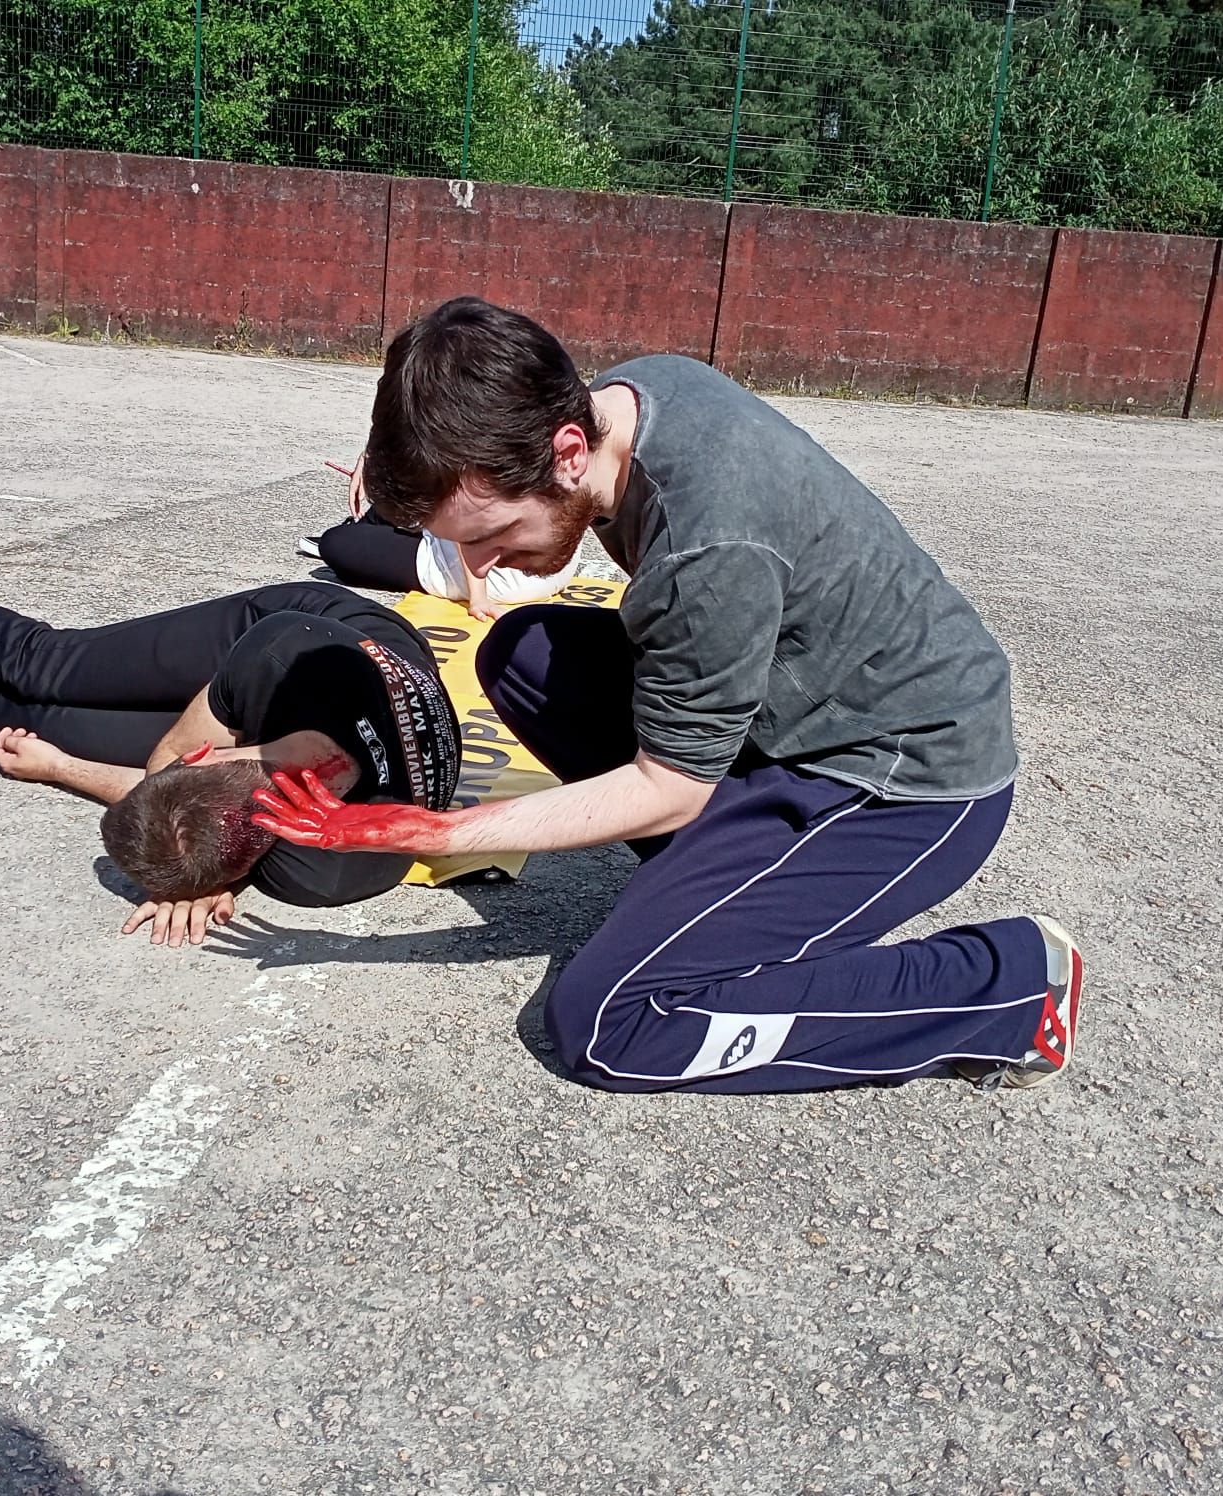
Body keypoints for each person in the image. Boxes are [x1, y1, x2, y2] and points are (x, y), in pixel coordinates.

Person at [252, 296, 1085, 1094]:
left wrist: (438, 830)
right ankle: (723, 903)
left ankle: (1005, 990)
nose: (484, 565)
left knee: (614, 1021)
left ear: (567, 450)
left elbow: (670, 785)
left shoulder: (707, 544)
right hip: (807, 719)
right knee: (524, 653)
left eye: (493, 535)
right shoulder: (635, 393)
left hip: (909, 787)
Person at [0, 567, 460, 944]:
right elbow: (172, 765)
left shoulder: (330, 870)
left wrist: (54, 765)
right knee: (49, 666)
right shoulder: (284, 655)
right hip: (320, 632)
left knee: (48, 723)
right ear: (207, 758)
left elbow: (189, 812)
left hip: (311, 725)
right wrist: (202, 858)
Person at [299, 506, 579, 620]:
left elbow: (469, 519)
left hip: (478, 569)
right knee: (396, 494)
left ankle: (373, 526)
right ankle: (380, 523)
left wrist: (477, 597)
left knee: (336, 543)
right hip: (555, 568)